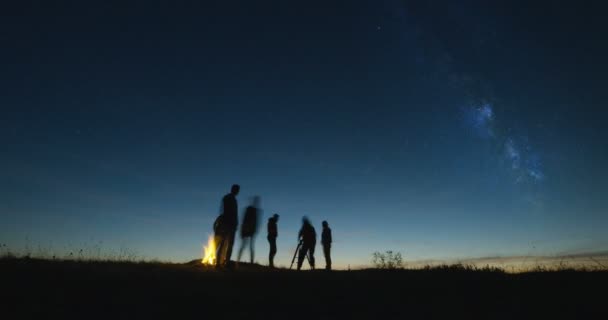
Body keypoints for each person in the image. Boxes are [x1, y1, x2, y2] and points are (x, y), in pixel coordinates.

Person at [215, 184, 240, 268]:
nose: (237, 191)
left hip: (230, 224)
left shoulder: (228, 198)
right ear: (234, 190)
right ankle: (221, 262)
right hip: (228, 224)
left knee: (227, 244)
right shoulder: (229, 198)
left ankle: (223, 262)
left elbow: (224, 211)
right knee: (226, 244)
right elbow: (229, 212)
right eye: (237, 190)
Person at [237, 196, 260, 264]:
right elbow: (245, 220)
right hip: (247, 230)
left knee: (249, 246)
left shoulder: (255, 210)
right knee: (244, 246)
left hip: (251, 231)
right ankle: (238, 261)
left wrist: (254, 230)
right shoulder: (249, 209)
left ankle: (251, 262)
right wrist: (243, 230)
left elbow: (256, 222)